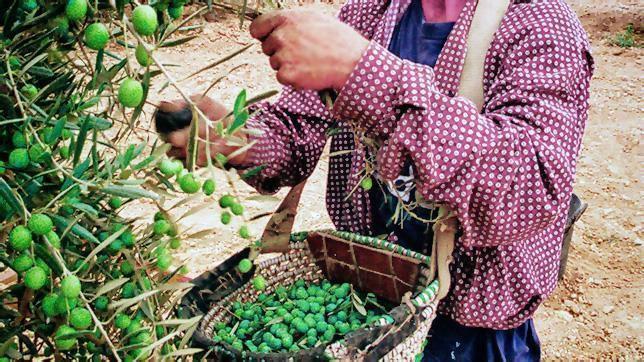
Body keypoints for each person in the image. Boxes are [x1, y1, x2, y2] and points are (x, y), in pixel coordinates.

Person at [155, 0, 594, 359]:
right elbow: (297, 129)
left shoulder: (540, 25)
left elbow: (529, 188)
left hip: (465, 330)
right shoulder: (372, 11)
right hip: (366, 306)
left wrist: (361, 72)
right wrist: (236, 138)